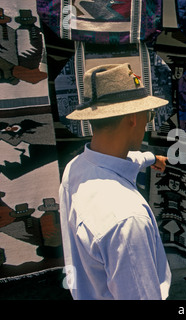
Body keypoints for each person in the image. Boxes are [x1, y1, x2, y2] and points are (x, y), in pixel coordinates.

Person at [59, 63, 171, 300]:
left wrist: (151, 158)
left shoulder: (75, 170)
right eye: (148, 114)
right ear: (132, 118)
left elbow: (122, 158)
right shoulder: (127, 219)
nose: (146, 123)